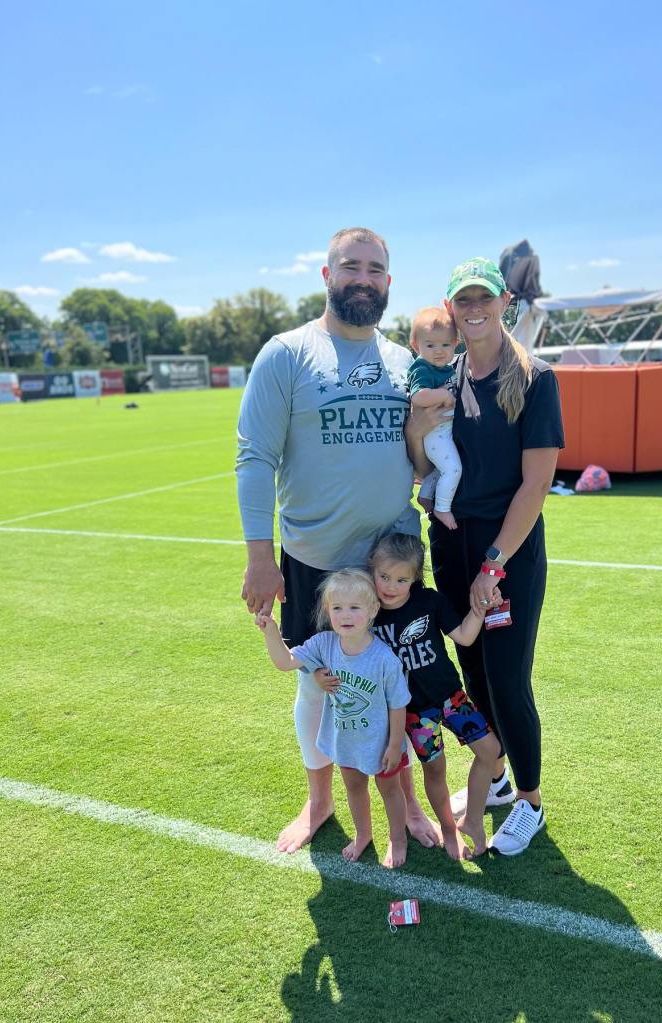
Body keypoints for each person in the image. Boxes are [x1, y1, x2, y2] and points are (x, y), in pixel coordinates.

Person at [237, 226, 443, 854]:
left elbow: (421, 457)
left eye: (375, 269)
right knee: (317, 684)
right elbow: (254, 458)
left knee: (398, 686)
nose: (362, 277)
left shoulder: (405, 363)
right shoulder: (287, 353)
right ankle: (320, 799)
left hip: (392, 565)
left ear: (388, 283)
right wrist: (259, 557)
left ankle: (407, 803)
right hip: (317, 563)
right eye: (350, 266)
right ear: (327, 276)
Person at [407, 256, 565, 856]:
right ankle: (493, 780)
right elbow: (425, 470)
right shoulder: (444, 379)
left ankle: (529, 800)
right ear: (450, 310)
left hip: (507, 553)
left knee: (506, 677)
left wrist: (493, 566)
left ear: (504, 303)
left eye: (484, 298)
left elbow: (536, 484)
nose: (474, 309)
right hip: (450, 543)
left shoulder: (535, 377)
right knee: (471, 670)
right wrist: (417, 432)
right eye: (462, 301)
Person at [256, 569, 411, 868]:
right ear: (328, 611)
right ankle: (363, 834)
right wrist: (270, 629)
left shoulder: (384, 659)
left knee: (390, 791)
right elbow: (285, 662)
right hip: (346, 741)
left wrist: (394, 745)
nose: (345, 615)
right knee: (354, 788)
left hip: (380, 744)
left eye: (355, 607)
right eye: (337, 608)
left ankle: (397, 838)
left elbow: (398, 704)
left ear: (372, 610)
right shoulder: (324, 644)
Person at [368, 533, 502, 859]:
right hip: (414, 713)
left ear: (414, 578)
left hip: (451, 698)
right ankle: (448, 829)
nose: (390, 586)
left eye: (401, 579)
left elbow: (466, 637)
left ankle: (471, 820)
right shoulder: (370, 613)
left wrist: (481, 607)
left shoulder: (430, 601)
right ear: (372, 570)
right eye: (384, 576)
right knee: (436, 770)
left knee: (491, 750)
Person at [406, 307, 460, 529]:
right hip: (435, 433)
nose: (439, 351)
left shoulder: (446, 368)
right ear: (416, 345)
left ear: (455, 343)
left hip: (443, 431)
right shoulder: (422, 368)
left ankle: (426, 496)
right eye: (430, 345)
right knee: (453, 469)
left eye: (445, 345)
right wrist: (444, 395)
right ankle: (443, 508)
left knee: (439, 469)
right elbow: (419, 396)